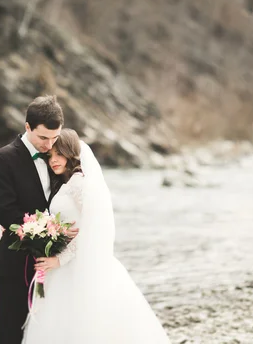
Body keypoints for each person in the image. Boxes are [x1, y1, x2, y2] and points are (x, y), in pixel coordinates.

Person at [22, 129, 171, 344]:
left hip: (78, 266)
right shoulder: (62, 185)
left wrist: (59, 259)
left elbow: (92, 229)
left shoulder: (79, 184)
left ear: (71, 154)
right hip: (62, 269)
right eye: (50, 155)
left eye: (59, 154)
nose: (53, 160)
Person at [0, 95, 78, 344]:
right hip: (17, 260)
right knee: (11, 330)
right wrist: (50, 232)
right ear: (27, 127)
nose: (49, 145)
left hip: (59, 262)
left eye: (54, 138)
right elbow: (5, 212)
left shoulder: (58, 156)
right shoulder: (1, 159)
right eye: (43, 138)